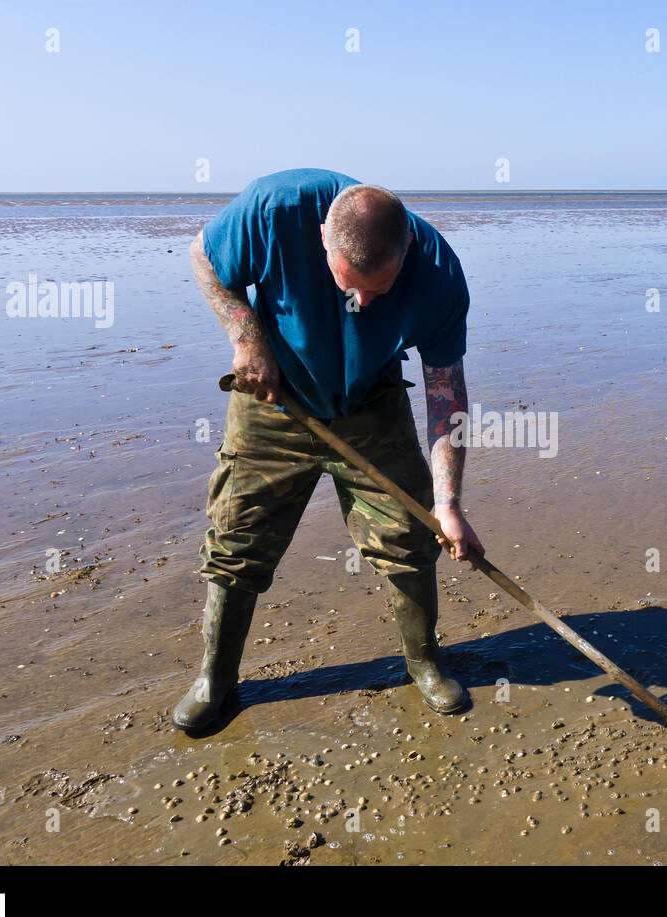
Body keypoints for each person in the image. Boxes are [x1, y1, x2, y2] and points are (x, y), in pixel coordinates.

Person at [172, 168, 482, 734]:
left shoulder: (439, 275)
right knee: (238, 538)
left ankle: (424, 663)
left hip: (370, 404)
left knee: (410, 538)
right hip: (275, 398)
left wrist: (449, 502)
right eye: (349, 286)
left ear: (407, 245)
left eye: (377, 289)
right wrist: (246, 337)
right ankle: (215, 680)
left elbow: (446, 394)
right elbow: (204, 259)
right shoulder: (273, 208)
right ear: (320, 238)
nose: (361, 301)